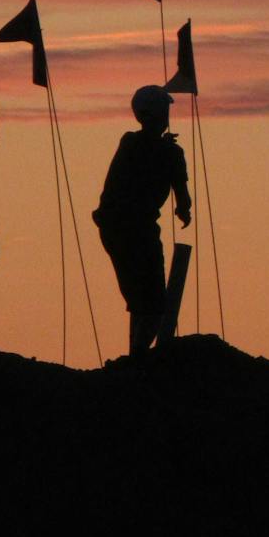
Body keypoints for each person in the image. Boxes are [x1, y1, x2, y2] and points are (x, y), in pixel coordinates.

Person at [93, 84, 191, 357]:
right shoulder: (170, 153)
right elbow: (183, 200)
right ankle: (137, 358)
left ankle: (135, 358)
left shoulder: (129, 143)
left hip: (112, 230)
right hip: (139, 233)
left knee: (139, 301)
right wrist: (184, 210)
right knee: (155, 305)